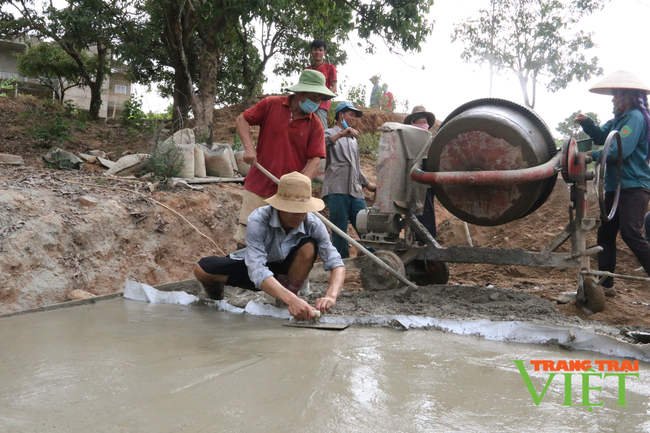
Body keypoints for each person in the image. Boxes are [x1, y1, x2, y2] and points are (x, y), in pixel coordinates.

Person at [194, 172, 345, 321]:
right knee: (203, 269)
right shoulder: (259, 220)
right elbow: (257, 269)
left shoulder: (313, 223)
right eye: (292, 209)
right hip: (257, 270)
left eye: (302, 210)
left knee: (308, 247)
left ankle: (284, 303)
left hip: (288, 271)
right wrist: (293, 300)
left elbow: (336, 263)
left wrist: (330, 297)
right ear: (280, 206)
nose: (298, 215)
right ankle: (215, 298)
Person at [234, 69, 336, 245]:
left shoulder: (315, 125)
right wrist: (249, 148)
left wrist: (300, 185)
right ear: (299, 93)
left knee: (280, 244)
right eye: (314, 97)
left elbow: (315, 160)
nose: (317, 103)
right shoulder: (271, 104)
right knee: (246, 240)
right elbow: (241, 120)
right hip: (258, 187)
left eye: (320, 99)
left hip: (287, 198)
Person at [574, 70, 650, 296]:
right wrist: (587, 123)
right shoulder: (619, 119)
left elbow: (619, 150)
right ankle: (606, 285)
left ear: (628, 96)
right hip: (615, 187)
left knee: (631, 233)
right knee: (605, 235)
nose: (613, 99)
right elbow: (601, 136)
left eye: (616, 95)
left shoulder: (635, 118)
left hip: (633, 187)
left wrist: (591, 156)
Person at [322, 101, 377, 258]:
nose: (353, 118)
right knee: (339, 231)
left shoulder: (353, 140)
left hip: (355, 190)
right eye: (351, 115)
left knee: (365, 227)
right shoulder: (329, 132)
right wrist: (341, 134)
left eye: (354, 116)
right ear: (341, 115)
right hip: (336, 189)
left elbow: (355, 167)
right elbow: (322, 144)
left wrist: (367, 184)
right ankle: (341, 265)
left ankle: (378, 259)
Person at [404, 106, 437, 240]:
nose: (423, 124)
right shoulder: (407, 140)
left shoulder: (432, 140)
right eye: (419, 122)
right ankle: (416, 244)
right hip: (412, 185)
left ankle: (428, 245)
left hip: (428, 186)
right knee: (414, 216)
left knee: (428, 216)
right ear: (412, 123)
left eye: (424, 122)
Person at [306, 39, 337, 130]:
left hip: (321, 105)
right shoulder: (307, 70)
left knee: (321, 131)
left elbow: (334, 88)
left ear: (324, 53)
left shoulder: (330, 68)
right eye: (315, 49)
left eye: (320, 50)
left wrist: (319, 97)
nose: (318, 52)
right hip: (306, 104)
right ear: (311, 52)